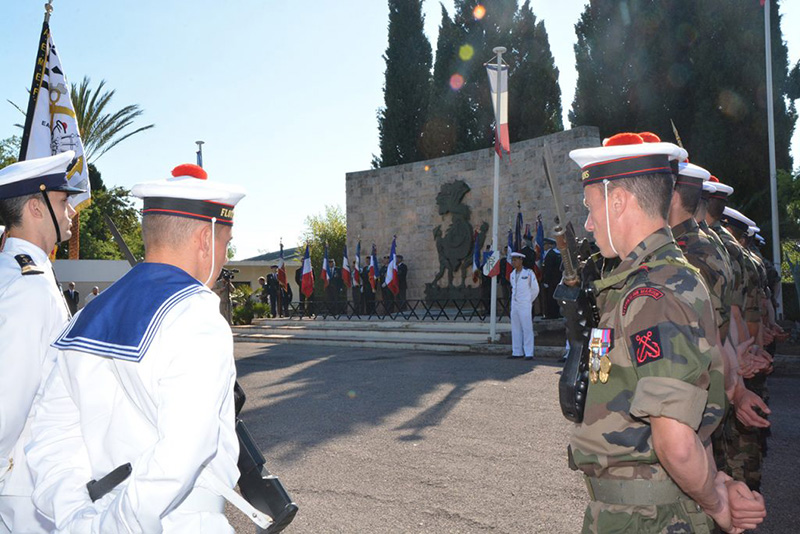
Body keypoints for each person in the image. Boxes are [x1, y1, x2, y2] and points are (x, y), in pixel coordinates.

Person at [26, 163, 245, 533]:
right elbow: (181, 453)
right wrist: (118, 525)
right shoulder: (198, 317)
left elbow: (49, 438)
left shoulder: (84, 317)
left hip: (90, 517)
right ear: (205, 240)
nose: (223, 257)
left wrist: (79, 519)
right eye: (225, 243)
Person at [568, 133, 765, 533]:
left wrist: (716, 503)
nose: (589, 224)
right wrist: (718, 482)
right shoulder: (669, 278)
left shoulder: (651, 295)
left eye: (591, 208)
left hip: (643, 521)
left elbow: (676, 441)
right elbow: (695, 414)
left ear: (618, 200)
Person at [0, 151, 83, 534]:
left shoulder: (18, 274)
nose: (72, 212)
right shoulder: (30, 289)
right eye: (63, 201)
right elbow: (8, 403)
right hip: (22, 484)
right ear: (35, 207)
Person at [509, 251, 538, 360]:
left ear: (521, 260)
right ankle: (517, 351)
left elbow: (535, 289)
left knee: (527, 328)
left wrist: (528, 300)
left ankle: (529, 352)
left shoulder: (528, 273)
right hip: (515, 303)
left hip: (525, 304)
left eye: (516, 260)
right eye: (513, 260)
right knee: (516, 327)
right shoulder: (512, 274)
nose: (513, 262)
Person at [541, 237, 562, 319]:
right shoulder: (557, 254)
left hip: (551, 281)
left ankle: (551, 314)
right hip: (557, 280)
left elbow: (548, 269)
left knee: (550, 298)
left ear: (549, 245)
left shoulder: (550, 254)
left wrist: (546, 281)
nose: (544, 246)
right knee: (555, 297)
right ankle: (555, 313)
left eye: (545, 245)